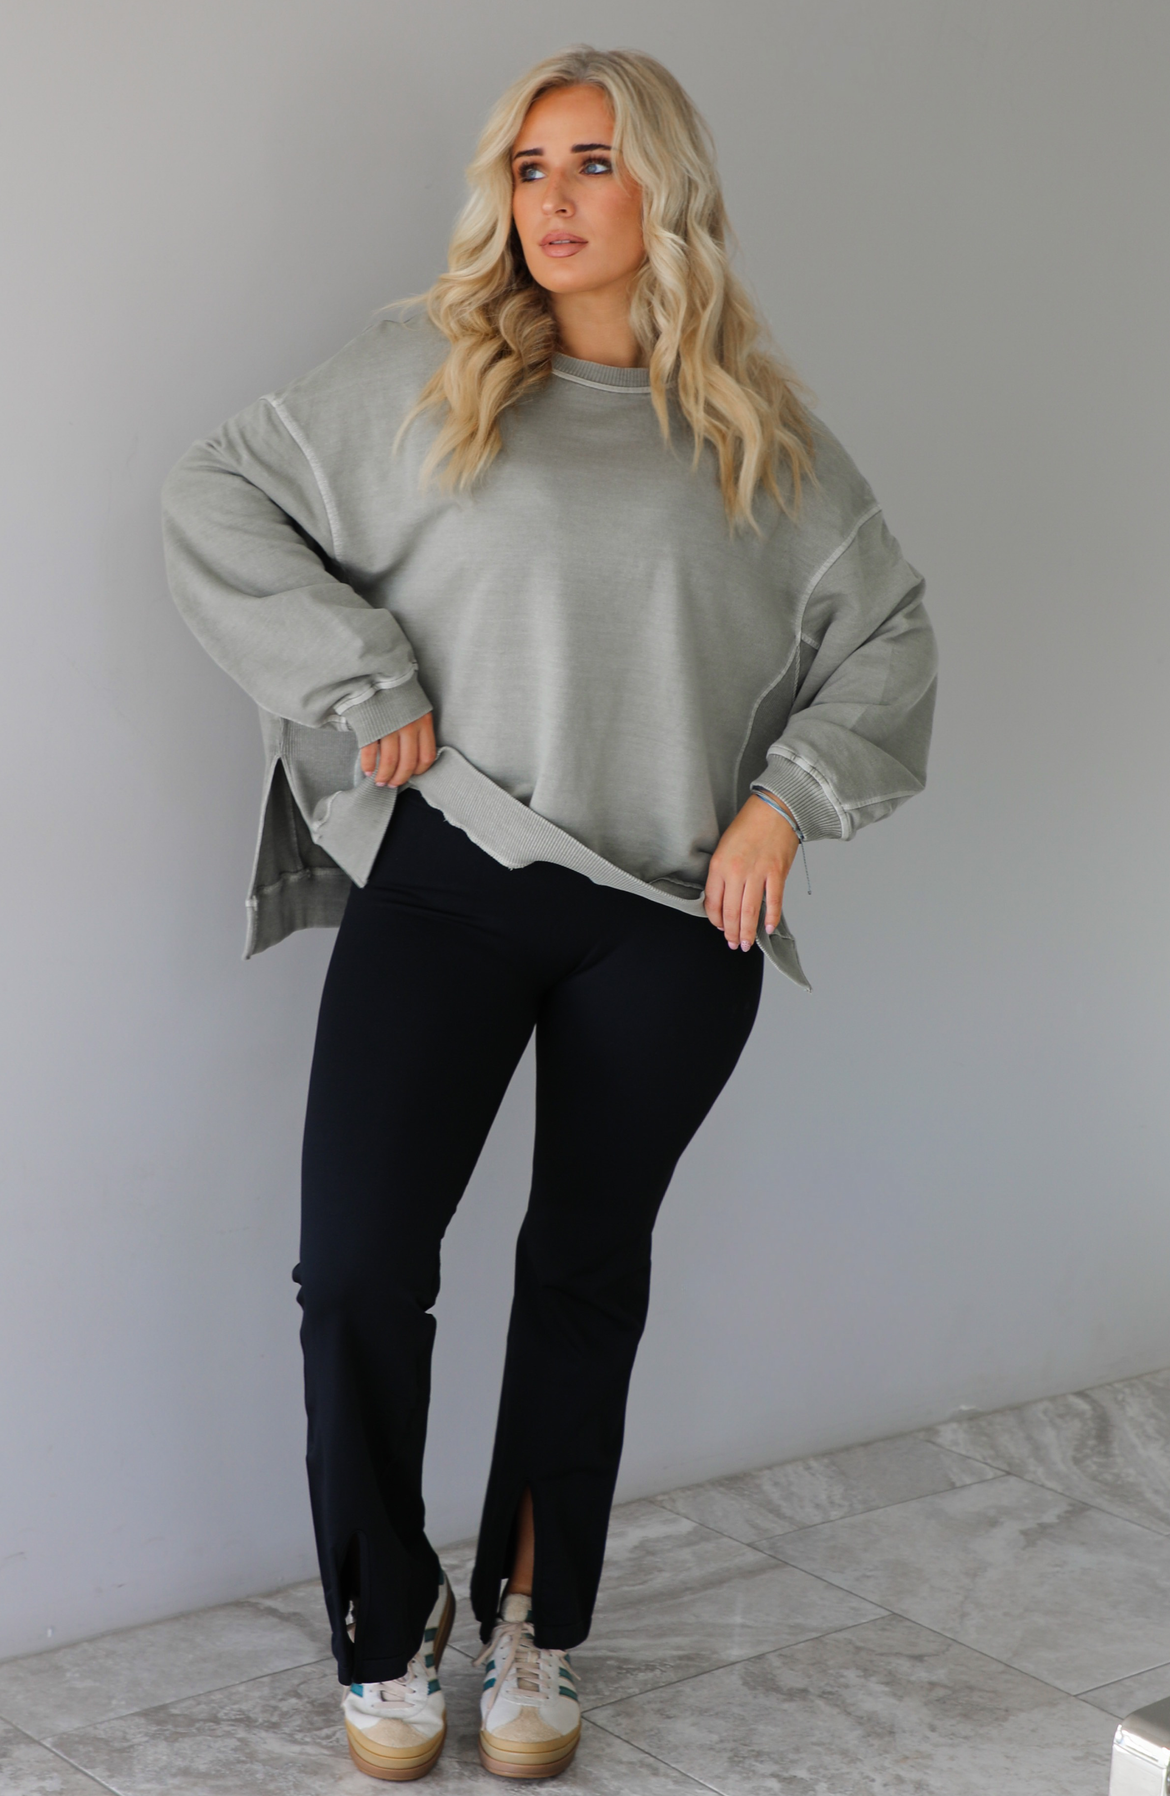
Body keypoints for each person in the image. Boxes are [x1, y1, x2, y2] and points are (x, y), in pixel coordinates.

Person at [162, 43, 936, 1783]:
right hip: (451, 877)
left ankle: (534, 1627)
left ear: (664, 188)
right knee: (360, 1267)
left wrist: (780, 806)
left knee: (583, 1278)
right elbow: (214, 495)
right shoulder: (434, 376)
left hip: (664, 919)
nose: (556, 201)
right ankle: (387, 1626)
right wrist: (361, 674)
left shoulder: (757, 437)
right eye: (529, 169)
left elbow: (891, 640)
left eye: (592, 163)